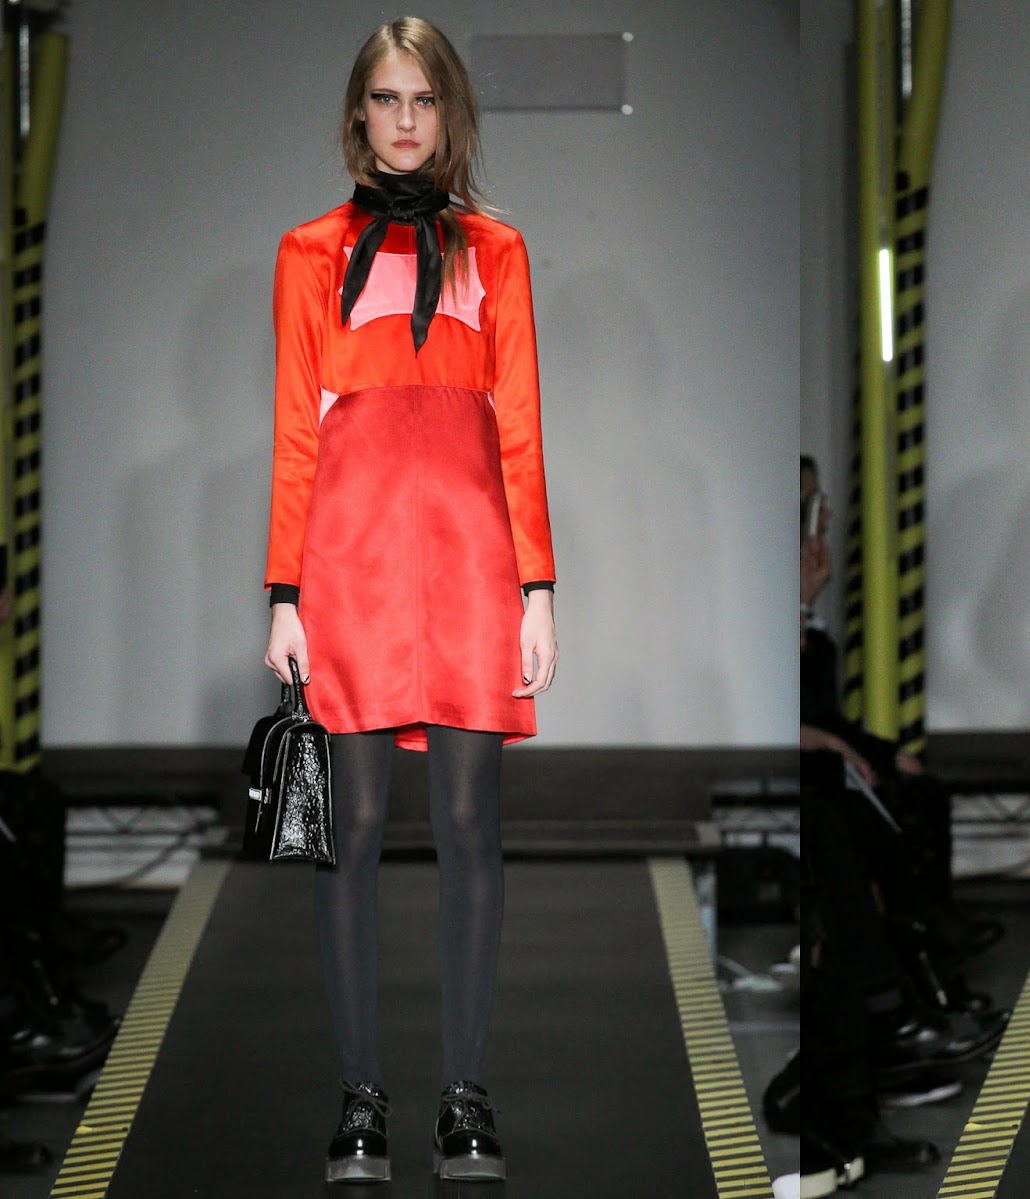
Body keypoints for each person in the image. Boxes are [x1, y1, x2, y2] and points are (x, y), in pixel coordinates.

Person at [262, 17, 557, 1185]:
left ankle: (465, 1095)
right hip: (350, 566)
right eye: (385, 98)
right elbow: (294, 430)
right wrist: (283, 591)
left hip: (474, 562)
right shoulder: (306, 253)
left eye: (423, 99)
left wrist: (538, 587)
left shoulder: (498, 250)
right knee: (358, 829)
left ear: (450, 114)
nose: (403, 119)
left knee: (473, 823)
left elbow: (520, 425)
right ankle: (361, 1098)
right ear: (358, 112)